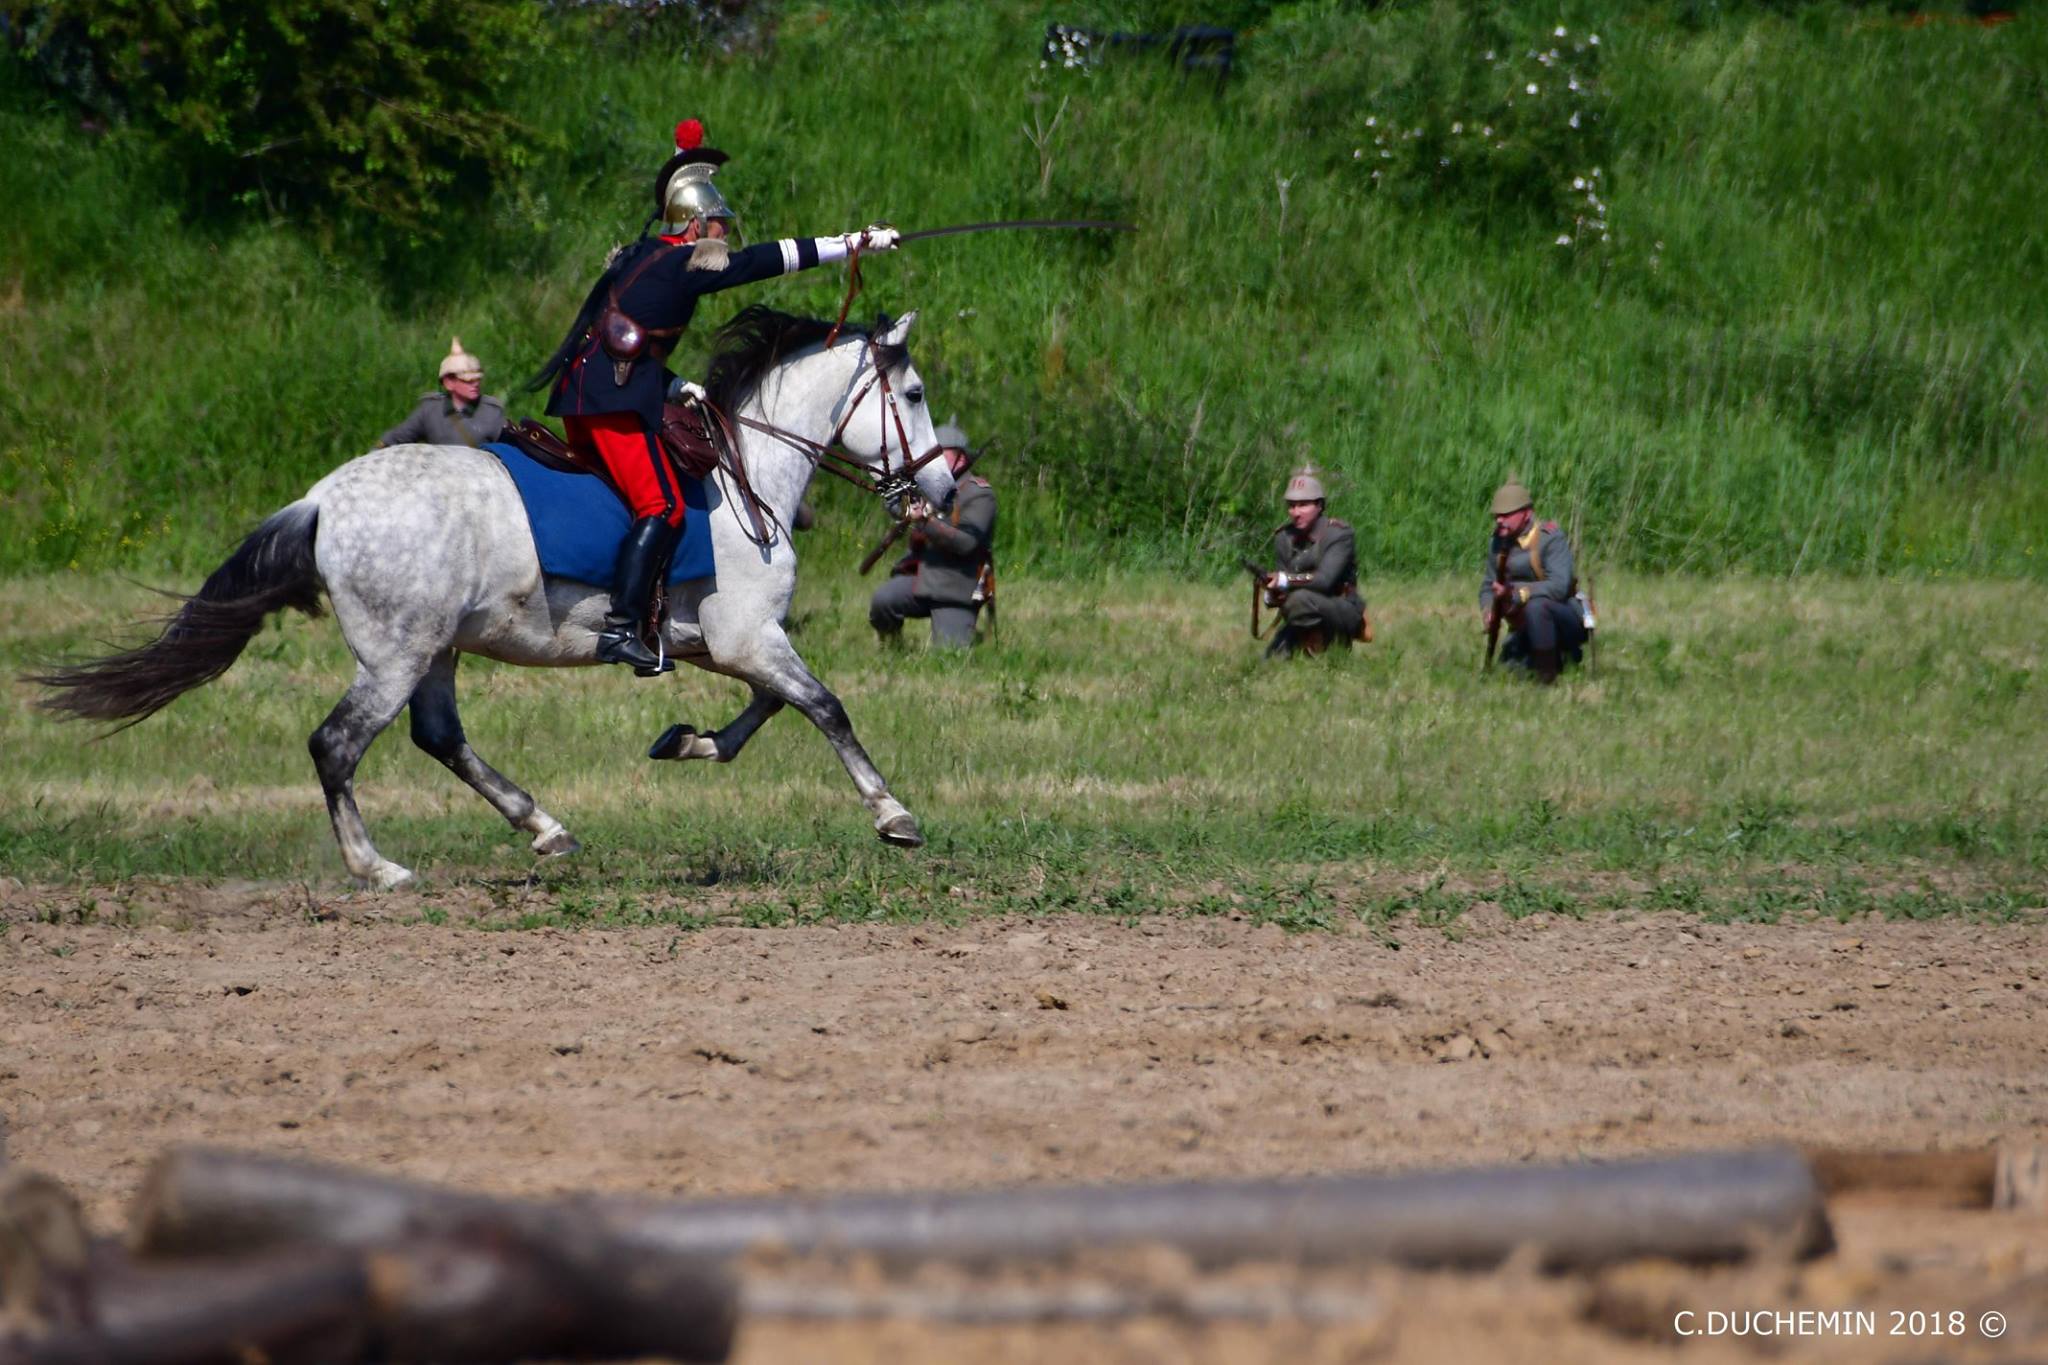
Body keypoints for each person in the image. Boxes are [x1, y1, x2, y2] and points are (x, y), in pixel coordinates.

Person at [526, 118, 900, 674]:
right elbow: (758, 264)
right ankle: (621, 627)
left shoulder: (641, 256)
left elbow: (628, 334)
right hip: (610, 405)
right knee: (663, 506)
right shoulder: (680, 264)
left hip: (596, 397)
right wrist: (851, 245)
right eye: (719, 224)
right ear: (695, 222)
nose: (725, 234)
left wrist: (673, 383)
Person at [869, 417, 994, 649]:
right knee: (882, 602)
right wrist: (888, 486)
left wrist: (925, 522)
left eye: (939, 454)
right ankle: (893, 648)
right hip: (922, 579)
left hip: (957, 587)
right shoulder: (928, 487)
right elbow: (900, 507)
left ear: (961, 458)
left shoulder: (979, 494)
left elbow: (966, 543)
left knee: (949, 656)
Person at [1480, 479, 1588, 684]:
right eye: (1497, 516)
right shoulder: (1497, 542)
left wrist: (1516, 594)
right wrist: (1488, 609)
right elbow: (1488, 585)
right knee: (1512, 669)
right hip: (1522, 622)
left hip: (1564, 616)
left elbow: (1559, 586)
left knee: (1537, 607)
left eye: (1506, 515)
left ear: (1527, 513)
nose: (1499, 520)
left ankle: (1546, 679)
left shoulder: (1550, 538)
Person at [1258, 468, 1365, 658]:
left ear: (1320, 506)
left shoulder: (1339, 534)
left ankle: (1328, 647)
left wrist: (1284, 580)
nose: (1296, 512)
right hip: (1300, 611)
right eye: (1291, 505)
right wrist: (1272, 593)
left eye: (1303, 505)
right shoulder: (1283, 538)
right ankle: (1305, 643)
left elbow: (1325, 580)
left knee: (1299, 600)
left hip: (1341, 608)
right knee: (1271, 661)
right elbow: (1285, 585)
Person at [379, 338, 506, 448]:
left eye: (477, 379)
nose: (475, 384)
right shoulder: (430, 410)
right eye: (468, 381)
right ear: (448, 382)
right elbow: (397, 438)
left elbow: (509, 451)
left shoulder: (492, 413)